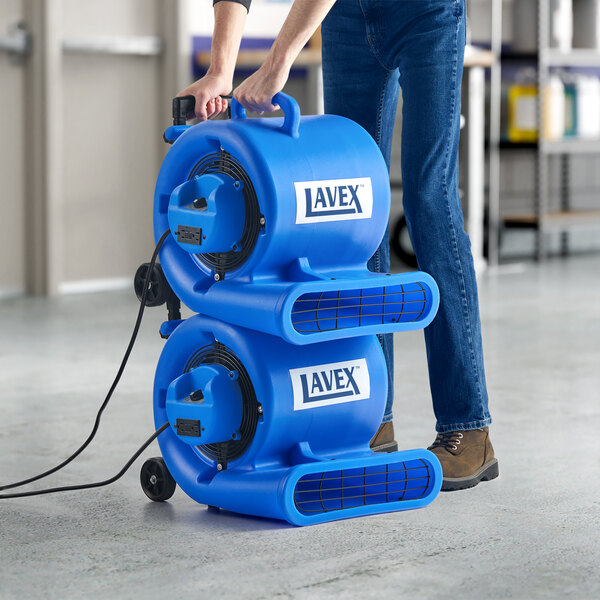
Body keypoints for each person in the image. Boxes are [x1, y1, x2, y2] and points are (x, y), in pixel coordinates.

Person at [178, 0, 498, 491]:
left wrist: (277, 63)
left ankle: (468, 429)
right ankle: (372, 417)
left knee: (429, 198)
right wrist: (221, 71)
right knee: (360, 210)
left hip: (427, 11)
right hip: (347, 16)